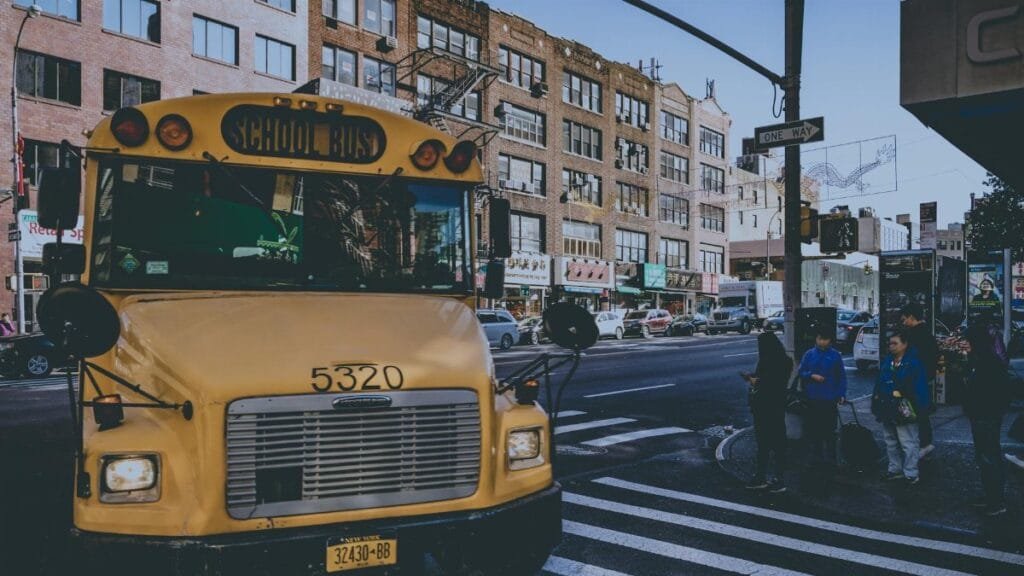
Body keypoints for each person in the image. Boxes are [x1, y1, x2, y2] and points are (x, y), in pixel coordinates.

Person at [961, 324, 1012, 516]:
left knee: (989, 457)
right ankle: (991, 496)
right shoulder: (979, 359)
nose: (964, 344)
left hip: (986, 416)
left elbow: (989, 392)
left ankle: (996, 501)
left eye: (967, 340)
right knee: (985, 457)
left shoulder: (987, 363)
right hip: (982, 415)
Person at [873, 332, 929, 485]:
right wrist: (876, 402)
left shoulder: (914, 363)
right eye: (890, 343)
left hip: (906, 408)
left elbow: (920, 388)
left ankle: (911, 473)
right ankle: (895, 470)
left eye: (895, 343)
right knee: (890, 441)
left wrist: (920, 408)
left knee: (908, 441)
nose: (891, 346)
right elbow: (878, 383)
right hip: (887, 407)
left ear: (905, 344)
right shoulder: (887, 361)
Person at [742, 333, 793, 493]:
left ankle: (762, 476)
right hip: (776, 406)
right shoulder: (785, 361)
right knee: (778, 443)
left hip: (764, 406)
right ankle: (777, 477)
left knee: (764, 443)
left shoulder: (766, 361)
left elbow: (766, 382)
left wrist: (753, 380)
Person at [798, 329, 847, 467]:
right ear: (816, 339)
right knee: (814, 427)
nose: (822, 342)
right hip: (812, 397)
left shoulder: (835, 355)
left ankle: (831, 457)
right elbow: (801, 371)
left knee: (830, 428)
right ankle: (817, 455)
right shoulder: (809, 354)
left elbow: (841, 376)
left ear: (830, 340)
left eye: (825, 339)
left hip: (829, 397)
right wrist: (811, 375)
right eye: (820, 339)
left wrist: (841, 393)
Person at [900, 303, 938, 457]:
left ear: (911, 317)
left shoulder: (912, 335)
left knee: (913, 411)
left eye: (904, 319)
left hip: (914, 379)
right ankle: (925, 442)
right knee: (921, 412)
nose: (903, 322)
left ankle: (921, 444)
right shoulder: (928, 333)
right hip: (925, 377)